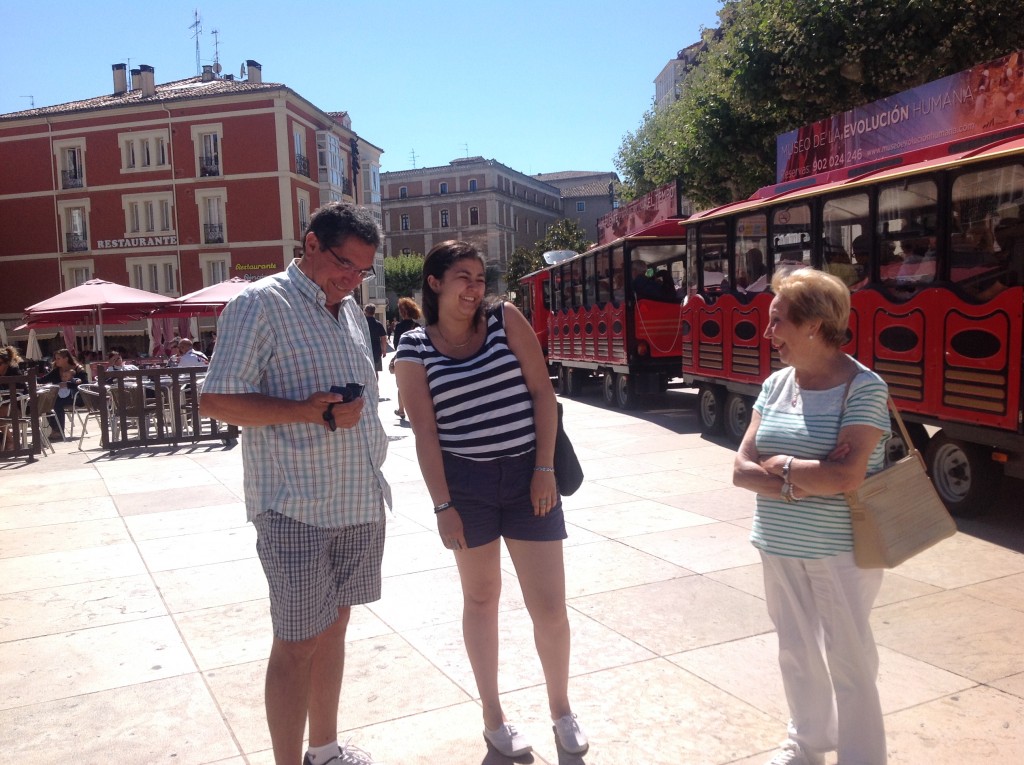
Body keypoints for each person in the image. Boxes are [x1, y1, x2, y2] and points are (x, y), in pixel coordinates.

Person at [200, 201, 389, 765]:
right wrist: (308, 411)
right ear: (310, 244)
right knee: (297, 642)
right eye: (344, 264)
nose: (352, 280)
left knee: (336, 628)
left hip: (357, 498)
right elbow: (216, 399)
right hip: (294, 506)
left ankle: (324, 751)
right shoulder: (260, 304)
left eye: (363, 271)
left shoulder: (349, 311)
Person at [394, 240, 588, 759]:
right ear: (435, 282)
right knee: (481, 599)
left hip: (529, 478)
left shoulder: (504, 319)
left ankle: (561, 708)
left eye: (480, 278)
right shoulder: (413, 348)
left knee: (549, 607)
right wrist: (443, 506)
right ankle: (493, 717)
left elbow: (543, 394)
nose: (475, 288)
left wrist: (544, 468)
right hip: (466, 486)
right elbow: (425, 434)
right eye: (463, 277)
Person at [732, 268, 891, 765]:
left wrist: (780, 465)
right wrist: (803, 475)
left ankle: (862, 756)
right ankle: (805, 743)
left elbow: (846, 477)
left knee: (850, 658)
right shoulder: (775, 385)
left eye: (777, 320)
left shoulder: (863, 388)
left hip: (841, 549)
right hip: (777, 540)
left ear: (815, 326)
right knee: (796, 652)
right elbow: (740, 469)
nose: (768, 333)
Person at [37, 348, 89, 441]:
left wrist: (67, 384)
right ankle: (55, 429)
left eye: (58, 358)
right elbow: (43, 380)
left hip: (77, 397)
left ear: (66, 359)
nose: (55, 361)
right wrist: (30, 378)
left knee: (56, 402)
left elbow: (84, 385)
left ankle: (59, 431)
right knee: (48, 402)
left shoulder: (78, 369)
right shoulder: (57, 371)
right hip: (61, 397)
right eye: (55, 358)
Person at [389, 296, 422, 419]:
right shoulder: (417, 325)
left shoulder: (399, 326)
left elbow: (396, 344)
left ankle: (401, 410)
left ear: (403, 312)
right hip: (417, 359)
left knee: (401, 386)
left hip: (402, 359)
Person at [363, 304, 387, 380]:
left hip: (364, 350)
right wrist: (384, 350)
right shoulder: (378, 324)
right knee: (375, 371)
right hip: (376, 350)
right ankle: (376, 385)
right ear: (374, 312)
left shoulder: (361, 323)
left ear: (365, 311)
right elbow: (383, 338)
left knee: (364, 371)